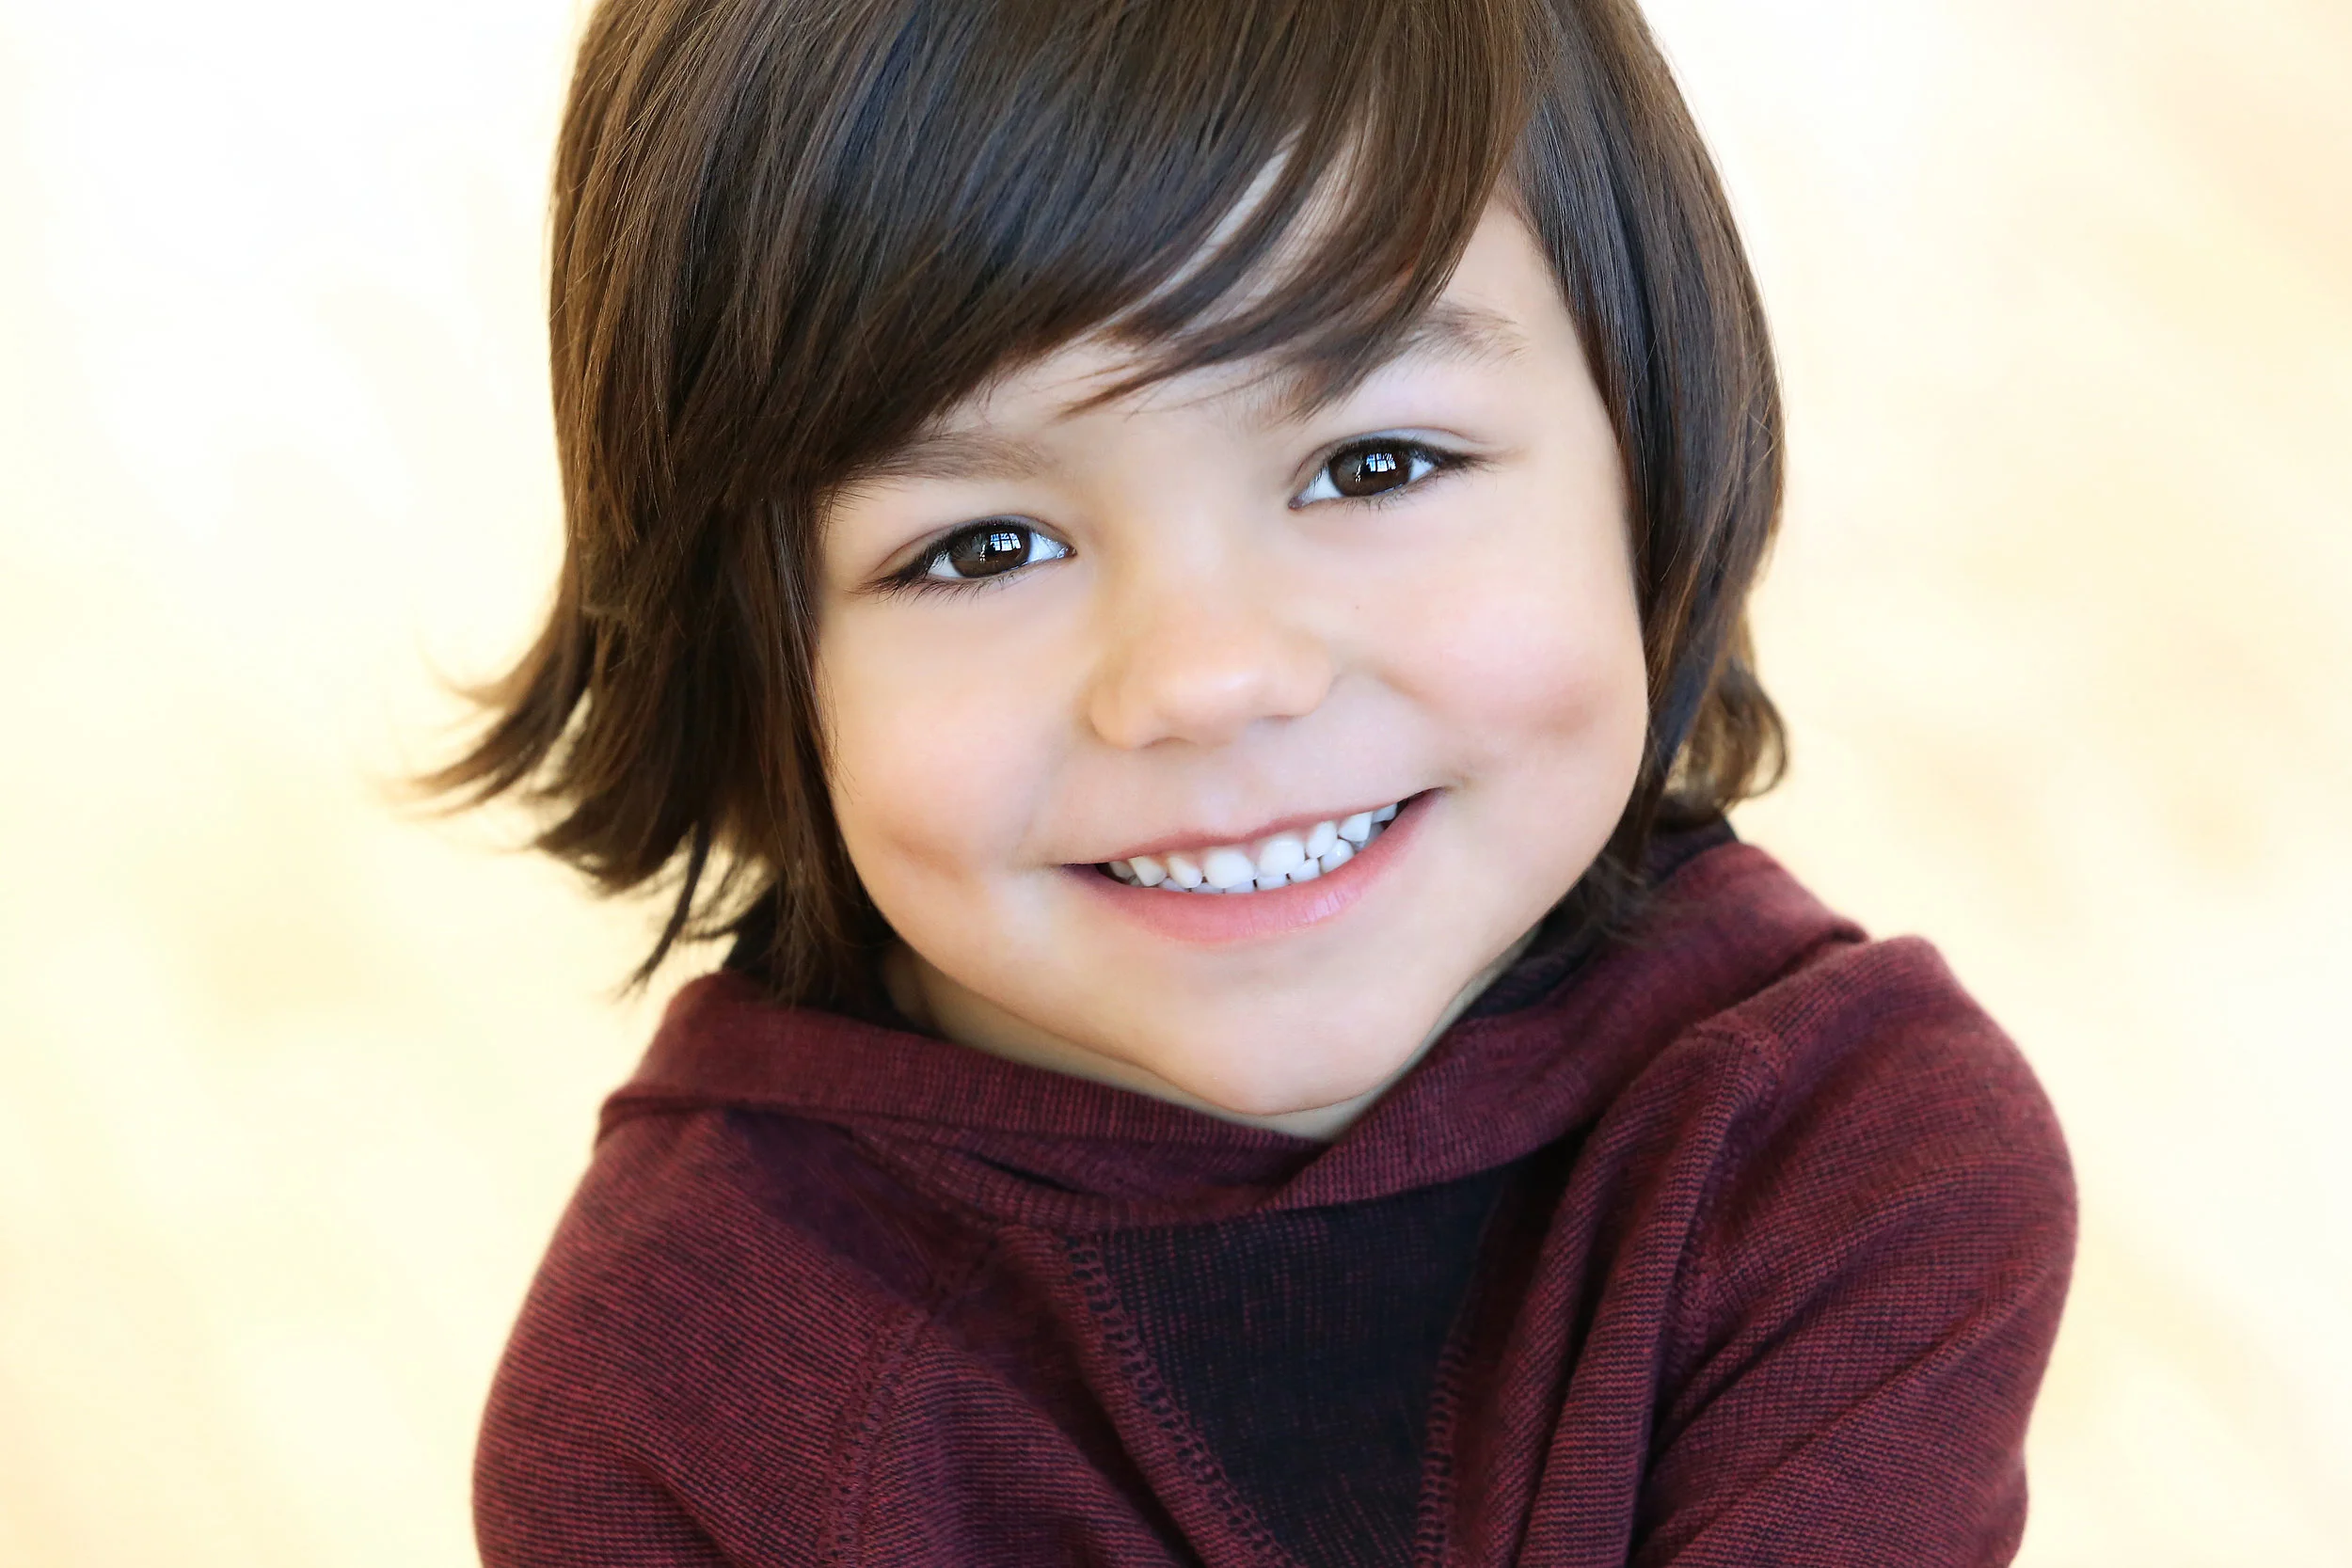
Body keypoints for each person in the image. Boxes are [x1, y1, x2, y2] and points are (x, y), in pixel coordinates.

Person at [437, 0, 2076, 1561]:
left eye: (1374, 463)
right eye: (984, 545)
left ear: (1651, 452)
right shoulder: (675, 1399)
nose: (1209, 676)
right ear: (748, 649)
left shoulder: (1851, 1162)